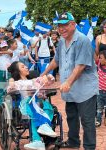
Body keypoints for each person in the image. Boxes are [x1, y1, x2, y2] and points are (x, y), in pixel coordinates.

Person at [41, 12, 99, 150]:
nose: (62, 29)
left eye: (65, 25)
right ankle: (73, 141)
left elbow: (80, 66)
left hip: (85, 89)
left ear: (73, 24)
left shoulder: (82, 40)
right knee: (71, 116)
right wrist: (42, 74)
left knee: (87, 120)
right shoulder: (61, 41)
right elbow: (56, 61)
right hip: (70, 89)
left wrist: (68, 82)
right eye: (59, 26)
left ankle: (89, 147)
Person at [7, 61, 57, 150]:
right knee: (32, 106)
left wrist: (49, 77)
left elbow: (49, 81)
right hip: (25, 105)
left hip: (38, 103)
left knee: (46, 105)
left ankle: (42, 138)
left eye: (25, 66)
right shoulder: (16, 82)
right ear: (17, 71)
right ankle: (43, 128)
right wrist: (11, 82)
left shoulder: (34, 80)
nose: (26, 67)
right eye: (22, 67)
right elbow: (10, 89)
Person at [0, 40, 12, 107]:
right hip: (0, 72)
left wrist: (6, 52)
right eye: (3, 47)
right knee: (0, 87)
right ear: (0, 47)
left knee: (8, 87)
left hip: (7, 72)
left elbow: (11, 53)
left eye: (5, 47)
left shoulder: (10, 52)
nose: (4, 48)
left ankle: (7, 102)